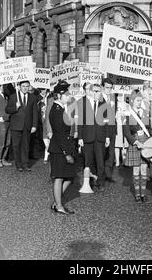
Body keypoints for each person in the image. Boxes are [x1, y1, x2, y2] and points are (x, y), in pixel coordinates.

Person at [49, 82, 76, 215]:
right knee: (59, 177)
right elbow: (59, 134)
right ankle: (59, 205)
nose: (68, 96)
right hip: (59, 149)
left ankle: (56, 202)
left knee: (70, 176)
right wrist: (66, 153)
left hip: (64, 147)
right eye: (66, 94)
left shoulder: (62, 109)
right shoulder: (56, 110)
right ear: (59, 95)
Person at [77, 83, 111, 192]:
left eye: (98, 91)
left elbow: (107, 121)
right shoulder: (84, 104)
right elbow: (80, 121)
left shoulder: (103, 103)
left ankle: (100, 182)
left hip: (100, 137)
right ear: (90, 92)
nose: (96, 93)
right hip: (87, 137)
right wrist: (80, 137)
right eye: (94, 91)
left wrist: (107, 137)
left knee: (100, 162)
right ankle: (89, 182)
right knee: (88, 161)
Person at [123, 90, 152, 203]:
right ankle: (137, 194)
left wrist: (149, 141)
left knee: (144, 169)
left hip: (145, 142)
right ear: (132, 101)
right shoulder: (127, 113)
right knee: (136, 170)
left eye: (140, 100)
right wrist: (136, 142)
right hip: (135, 143)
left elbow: (148, 128)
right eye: (137, 100)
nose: (140, 102)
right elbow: (126, 133)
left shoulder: (144, 112)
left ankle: (143, 193)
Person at [5, 80, 38, 172]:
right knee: (16, 146)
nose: (25, 88)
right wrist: (15, 107)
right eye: (23, 86)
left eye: (27, 86)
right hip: (16, 126)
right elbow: (7, 110)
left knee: (26, 146)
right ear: (19, 86)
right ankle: (18, 164)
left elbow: (35, 112)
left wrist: (34, 125)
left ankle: (25, 164)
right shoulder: (13, 96)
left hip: (27, 126)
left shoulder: (33, 97)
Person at [102, 78, 118, 183]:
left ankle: (108, 174)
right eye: (107, 87)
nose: (109, 90)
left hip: (112, 128)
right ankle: (100, 174)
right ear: (103, 87)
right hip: (102, 129)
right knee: (102, 152)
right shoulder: (99, 98)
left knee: (111, 153)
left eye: (110, 88)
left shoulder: (113, 98)